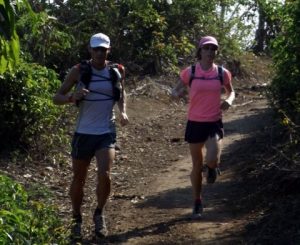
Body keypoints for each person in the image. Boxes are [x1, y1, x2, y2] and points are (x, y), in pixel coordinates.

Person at [53, 33, 129, 240]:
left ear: (108, 50)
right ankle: (76, 218)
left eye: (103, 49)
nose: (99, 53)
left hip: (106, 130)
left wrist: (123, 112)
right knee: (79, 178)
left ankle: (99, 213)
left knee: (105, 175)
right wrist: (72, 97)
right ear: (90, 50)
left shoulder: (117, 70)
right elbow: (56, 98)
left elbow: (121, 93)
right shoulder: (78, 71)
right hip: (83, 133)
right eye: (96, 49)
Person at [171, 36, 235, 218]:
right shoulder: (190, 72)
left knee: (212, 157)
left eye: (213, 49)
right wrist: (175, 94)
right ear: (200, 51)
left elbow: (231, 91)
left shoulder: (222, 72)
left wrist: (228, 101)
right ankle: (197, 201)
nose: (210, 52)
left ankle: (213, 167)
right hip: (195, 122)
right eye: (206, 48)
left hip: (214, 121)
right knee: (197, 165)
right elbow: (176, 89)